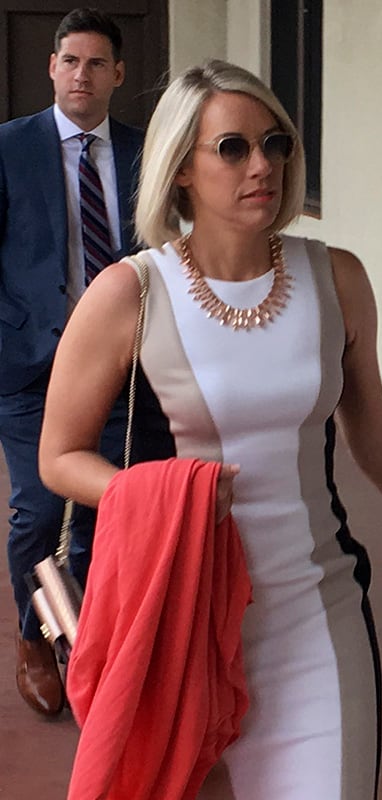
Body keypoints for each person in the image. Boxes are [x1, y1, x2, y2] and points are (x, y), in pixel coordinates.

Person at [39, 59, 382, 797]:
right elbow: (59, 455)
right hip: (184, 619)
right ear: (180, 171)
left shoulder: (338, 279)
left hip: (314, 612)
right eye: (232, 148)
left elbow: (375, 435)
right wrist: (164, 495)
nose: (261, 164)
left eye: (276, 144)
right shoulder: (131, 292)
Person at [0, 7, 142, 717]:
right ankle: (31, 638)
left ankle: (77, 642)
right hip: (29, 363)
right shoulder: (8, 148)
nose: (81, 74)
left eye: (95, 63)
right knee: (37, 509)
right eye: (69, 61)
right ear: (50, 68)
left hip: (123, 365)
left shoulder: (150, 153)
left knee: (102, 507)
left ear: (118, 74)